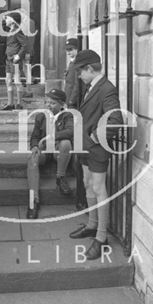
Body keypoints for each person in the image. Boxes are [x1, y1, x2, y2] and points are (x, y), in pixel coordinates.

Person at [69, 50, 122, 260]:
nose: (79, 76)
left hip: (96, 148)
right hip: (85, 147)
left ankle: (101, 238)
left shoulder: (107, 88)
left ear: (90, 69)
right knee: (88, 184)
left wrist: (93, 138)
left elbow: (115, 121)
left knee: (99, 189)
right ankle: (92, 225)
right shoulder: (91, 86)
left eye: (80, 71)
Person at [26, 88, 74, 219]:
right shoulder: (41, 116)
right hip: (45, 151)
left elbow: (70, 132)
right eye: (47, 102)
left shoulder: (68, 116)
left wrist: (50, 137)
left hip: (58, 152)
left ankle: (60, 177)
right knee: (32, 157)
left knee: (66, 143)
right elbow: (35, 136)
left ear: (62, 104)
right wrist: (35, 146)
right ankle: (33, 200)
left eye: (52, 103)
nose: (48, 105)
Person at [64, 37, 87, 211]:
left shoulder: (78, 65)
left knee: (75, 138)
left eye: (72, 49)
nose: (70, 52)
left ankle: (75, 170)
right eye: (67, 50)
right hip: (70, 104)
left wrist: (70, 103)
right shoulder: (73, 63)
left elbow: (77, 87)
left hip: (75, 105)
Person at [2, 12, 30, 110]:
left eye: (7, 18)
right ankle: (10, 103)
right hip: (8, 59)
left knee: (17, 81)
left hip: (15, 61)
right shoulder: (10, 31)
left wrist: (18, 56)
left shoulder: (17, 31)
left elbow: (25, 45)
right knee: (8, 81)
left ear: (13, 21)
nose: (5, 20)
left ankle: (19, 103)